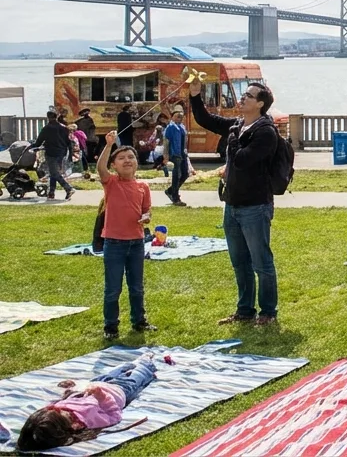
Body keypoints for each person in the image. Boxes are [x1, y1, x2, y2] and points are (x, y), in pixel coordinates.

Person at [187, 80, 280, 326]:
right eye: (244, 95)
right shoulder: (237, 125)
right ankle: (245, 310)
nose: (242, 99)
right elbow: (207, 121)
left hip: (255, 206)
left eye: (248, 96)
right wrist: (196, 96)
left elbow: (241, 160)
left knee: (261, 262)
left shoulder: (265, 132)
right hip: (232, 204)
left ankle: (268, 312)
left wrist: (233, 139)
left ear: (260, 104)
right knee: (240, 262)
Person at [16, 353, 172, 452]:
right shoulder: (89, 421)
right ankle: (147, 364)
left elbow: (71, 399)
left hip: (94, 383)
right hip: (119, 391)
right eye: (56, 411)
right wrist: (101, 395)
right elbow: (114, 414)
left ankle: (130, 364)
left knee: (117, 370)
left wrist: (71, 389)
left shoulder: (56, 411)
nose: (53, 407)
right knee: (138, 376)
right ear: (71, 425)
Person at [95, 131, 153, 339]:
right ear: (114, 166)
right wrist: (109, 145)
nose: (127, 160)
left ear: (137, 162)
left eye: (131, 157)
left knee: (136, 287)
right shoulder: (111, 182)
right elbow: (100, 168)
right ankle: (111, 326)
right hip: (114, 243)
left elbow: (147, 210)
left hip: (136, 243)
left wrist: (146, 217)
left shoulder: (143, 186)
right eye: (121, 158)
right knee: (113, 288)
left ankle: (139, 321)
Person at [35, 111, 76, 201]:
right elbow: (69, 142)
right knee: (53, 172)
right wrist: (70, 155)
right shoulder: (64, 128)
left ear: (48, 117)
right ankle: (51, 193)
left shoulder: (46, 128)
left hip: (51, 153)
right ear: (57, 116)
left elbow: (38, 142)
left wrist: (32, 147)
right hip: (62, 153)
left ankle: (68, 188)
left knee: (54, 172)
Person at [162, 110, 189, 207]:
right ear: (172, 117)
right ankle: (175, 197)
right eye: (178, 116)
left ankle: (170, 191)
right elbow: (166, 143)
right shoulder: (170, 128)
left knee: (185, 174)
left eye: (181, 117)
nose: (180, 119)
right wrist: (166, 156)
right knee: (176, 176)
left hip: (182, 154)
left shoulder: (181, 127)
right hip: (174, 154)